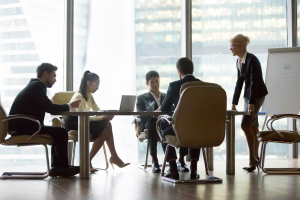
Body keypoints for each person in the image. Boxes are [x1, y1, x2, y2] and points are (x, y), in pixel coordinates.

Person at [8, 63, 81, 177]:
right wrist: (70, 105)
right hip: (24, 126)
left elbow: (48, 107)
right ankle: (60, 168)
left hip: (23, 125)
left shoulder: (34, 85)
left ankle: (58, 167)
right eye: (53, 76)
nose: (55, 80)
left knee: (58, 132)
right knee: (61, 132)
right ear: (45, 74)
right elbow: (51, 108)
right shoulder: (38, 86)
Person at [65, 70, 130, 172]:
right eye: (96, 85)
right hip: (75, 123)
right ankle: (113, 157)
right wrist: (101, 118)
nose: (97, 88)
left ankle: (89, 161)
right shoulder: (79, 96)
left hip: (84, 121)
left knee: (105, 131)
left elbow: (97, 111)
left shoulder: (89, 96)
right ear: (88, 83)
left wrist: (106, 113)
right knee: (107, 124)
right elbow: (83, 117)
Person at [136, 71, 189, 173]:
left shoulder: (167, 95)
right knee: (153, 122)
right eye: (152, 82)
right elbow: (142, 116)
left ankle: (181, 160)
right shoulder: (142, 98)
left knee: (182, 124)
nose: (155, 84)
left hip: (165, 124)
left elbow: (174, 111)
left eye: (157, 81)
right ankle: (154, 160)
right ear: (147, 83)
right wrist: (156, 113)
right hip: (150, 125)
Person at [230, 34, 268, 172]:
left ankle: (253, 159)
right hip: (249, 96)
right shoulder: (239, 61)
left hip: (257, 96)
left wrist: (251, 103)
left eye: (232, 45)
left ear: (240, 46)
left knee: (245, 125)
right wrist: (234, 102)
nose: (230, 48)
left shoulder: (253, 60)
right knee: (253, 127)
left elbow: (254, 82)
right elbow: (239, 83)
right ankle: (255, 158)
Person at [160, 57, 201, 180]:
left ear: (179, 71)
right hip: (200, 130)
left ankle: (173, 168)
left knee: (162, 124)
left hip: (180, 129)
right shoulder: (203, 85)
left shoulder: (174, 85)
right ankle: (193, 169)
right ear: (192, 69)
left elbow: (164, 108)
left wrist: (176, 109)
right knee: (196, 129)